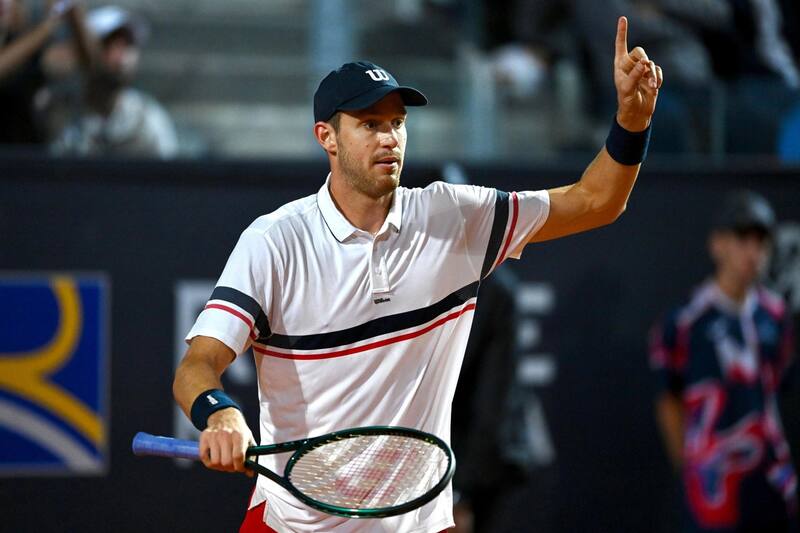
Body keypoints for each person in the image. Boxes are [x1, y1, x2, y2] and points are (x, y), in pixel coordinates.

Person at [173, 16, 662, 533]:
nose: (389, 138)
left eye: (396, 123)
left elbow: (595, 201)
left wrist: (632, 122)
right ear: (327, 138)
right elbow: (196, 366)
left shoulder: (452, 216)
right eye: (369, 124)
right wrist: (219, 412)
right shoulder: (275, 241)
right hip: (295, 524)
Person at [650, 191, 798, 533]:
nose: (753, 253)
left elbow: (776, 390)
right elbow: (669, 401)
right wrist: (691, 467)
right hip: (713, 481)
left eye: (761, 242)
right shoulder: (686, 321)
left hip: (770, 478)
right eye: (742, 239)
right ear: (718, 244)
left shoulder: (776, 315)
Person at [51, 5, 177, 158]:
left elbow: (166, 173)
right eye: (111, 44)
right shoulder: (57, 110)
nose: (123, 56)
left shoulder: (147, 117)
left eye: (129, 45)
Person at [0, 0, 93, 145]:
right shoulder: (36, 38)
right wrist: (49, 25)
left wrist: (74, 13)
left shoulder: (33, 49)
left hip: (24, 151)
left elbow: (86, 63)